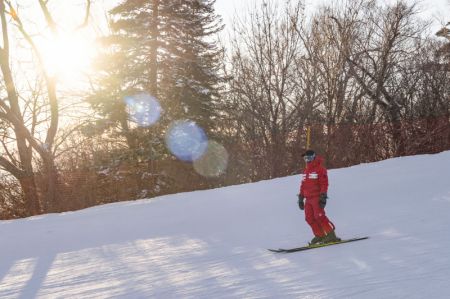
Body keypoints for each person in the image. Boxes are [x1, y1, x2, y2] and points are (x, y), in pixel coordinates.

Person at [297, 149, 340, 245]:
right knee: (309, 218)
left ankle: (331, 235)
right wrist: (301, 197)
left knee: (319, 216)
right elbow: (303, 185)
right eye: (305, 158)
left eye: (309, 158)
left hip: (316, 197)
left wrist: (323, 196)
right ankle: (320, 235)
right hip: (308, 199)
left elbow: (324, 183)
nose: (307, 160)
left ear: (314, 157)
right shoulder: (306, 171)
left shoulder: (320, 169)